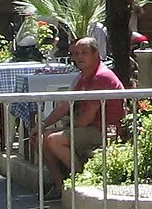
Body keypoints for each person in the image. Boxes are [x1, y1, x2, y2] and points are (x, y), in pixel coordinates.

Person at [40, 37, 125, 181]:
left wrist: (62, 129)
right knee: (41, 138)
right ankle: (59, 184)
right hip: (90, 128)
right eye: (76, 53)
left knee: (53, 140)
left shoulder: (101, 77)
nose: (78, 57)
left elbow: (86, 119)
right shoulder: (84, 75)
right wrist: (42, 125)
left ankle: (80, 179)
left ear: (96, 54)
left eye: (84, 53)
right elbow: (66, 104)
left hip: (104, 131)